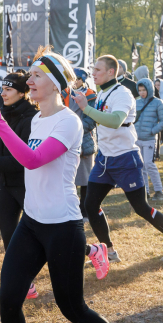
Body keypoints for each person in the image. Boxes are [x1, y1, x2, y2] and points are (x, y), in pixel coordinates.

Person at [0, 51, 148, 323]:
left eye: (36, 76)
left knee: (71, 307)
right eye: (29, 76)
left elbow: (32, 158)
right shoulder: (38, 120)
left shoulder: (68, 122)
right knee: (9, 298)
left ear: (55, 84)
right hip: (31, 222)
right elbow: (27, 165)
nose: (29, 81)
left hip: (62, 226)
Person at [72, 54, 163, 264]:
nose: (93, 73)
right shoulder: (101, 94)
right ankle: (109, 251)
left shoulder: (123, 94)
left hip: (126, 159)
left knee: (141, 207)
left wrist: (85, 108)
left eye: (98, 70)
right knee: (90, 204)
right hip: (105, 159)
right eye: (93, 70)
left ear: (110, 72)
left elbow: (116, 121)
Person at [0, 70, 39, 298]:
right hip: (7, 186)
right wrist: (1, 182)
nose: (4, 94)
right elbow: (6, 150)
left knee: (47, 234)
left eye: (9, 89)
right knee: (9, 236)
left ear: (23, 93)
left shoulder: (31, 118)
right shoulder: (5, 113)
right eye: (2, 89)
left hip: (28, 185)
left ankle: (92, 250)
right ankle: (25, 283)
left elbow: (23, 160)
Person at [65, 68, 98, 221]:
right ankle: (70, 210)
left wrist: (74, 126)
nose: (75, 81)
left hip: (84, 140)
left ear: (83, 80)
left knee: (85, 180)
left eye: (77, 78)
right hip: (66, 139)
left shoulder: (91, 95)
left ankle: (85, 212)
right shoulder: (64, 93)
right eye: (73, 78)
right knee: (68, 180)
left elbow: (91, 121)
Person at [134, 78, 163, 201]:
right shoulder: (136, 102)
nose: (142, 92)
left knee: (149, 164)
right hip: (137, 139)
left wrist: (152, 131)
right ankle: (145, 192)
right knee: (140, 166)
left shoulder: (158, 103)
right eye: (140, 90)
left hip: (149, 139)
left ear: (149, 89)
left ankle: (159, 191)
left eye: (144, 90)